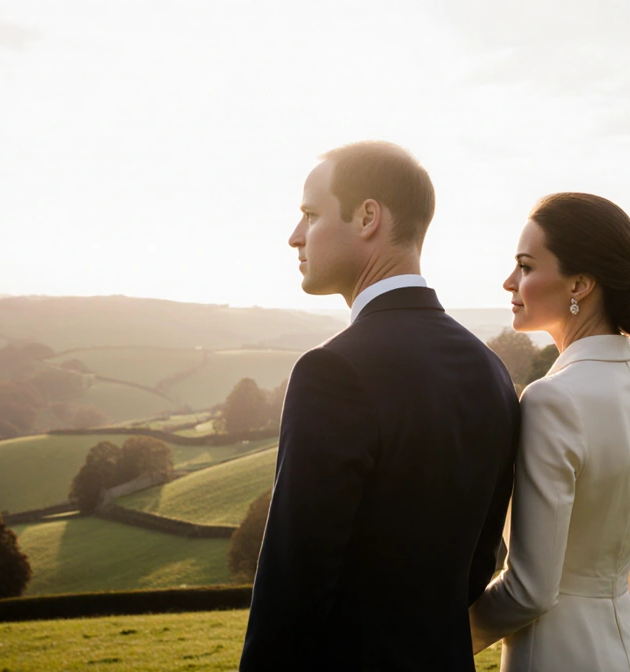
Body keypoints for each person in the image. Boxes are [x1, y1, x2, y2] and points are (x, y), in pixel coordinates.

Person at [239, 141, 519, 671]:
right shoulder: (491, 370)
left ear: (368, 216)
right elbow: (478, 564)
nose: (295, 236)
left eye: (310, 214)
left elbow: (292, 589)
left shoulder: (332, 372)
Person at [469, 193, 630, 672]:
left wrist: (440, 642)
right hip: (626, 653)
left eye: (525, 266)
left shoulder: (551, 401)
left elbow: (528, 591)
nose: (510, 281)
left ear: (580, 284)